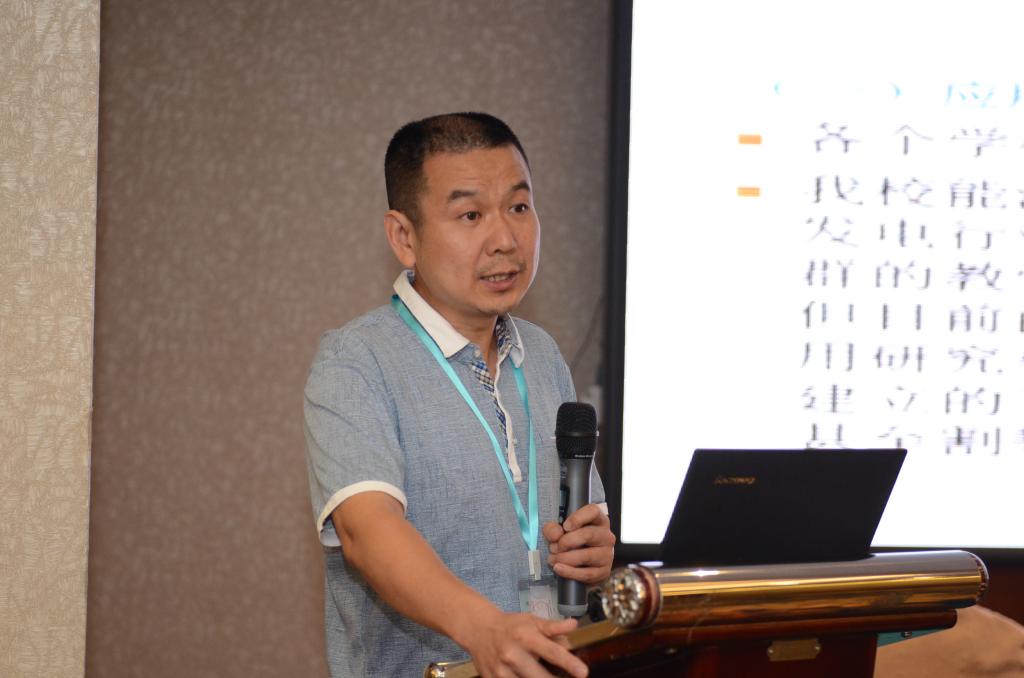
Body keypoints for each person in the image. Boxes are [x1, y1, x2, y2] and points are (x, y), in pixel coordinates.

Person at [303, 112, 616, 678]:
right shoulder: (356, 361)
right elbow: (365, 531)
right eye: (471, 215)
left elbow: (580, 521)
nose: (505, 240)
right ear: (404, 237)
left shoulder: (542, 354)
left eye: (518, 207)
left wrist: (594, 550)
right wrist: (482, 628)